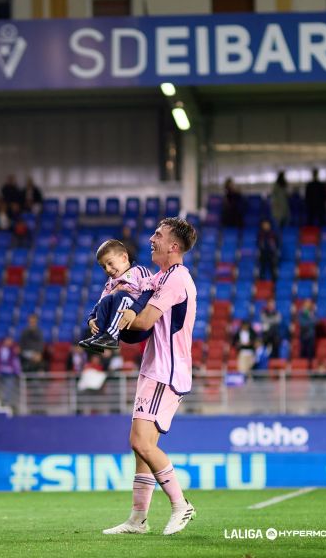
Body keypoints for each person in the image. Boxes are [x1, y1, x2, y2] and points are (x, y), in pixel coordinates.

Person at [105, 217, 198, 536]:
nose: (151, 239)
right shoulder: (162, 276)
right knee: (141, 447)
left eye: (159, 235)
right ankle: (138, 520)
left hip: (165, 371)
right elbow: (129, 290)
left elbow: (144, 321)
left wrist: (123, 321)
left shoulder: (177, 278)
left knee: (140, 441)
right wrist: (101, 318)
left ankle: (180, 505)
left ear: (174, 246)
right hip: (155, 368)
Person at [79, 239, 153, 352]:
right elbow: (101, 301)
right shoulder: (111, 281)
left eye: (110, 263)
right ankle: (99, 338)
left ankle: (111, 336)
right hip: (124, 330)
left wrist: (134, 310)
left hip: (139, 325)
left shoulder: (139, 271)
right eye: (104, 267)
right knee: (107, 299)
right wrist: (91, 318)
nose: (108, 269)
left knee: (120, 295)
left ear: (124, 258)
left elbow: (148, 293)